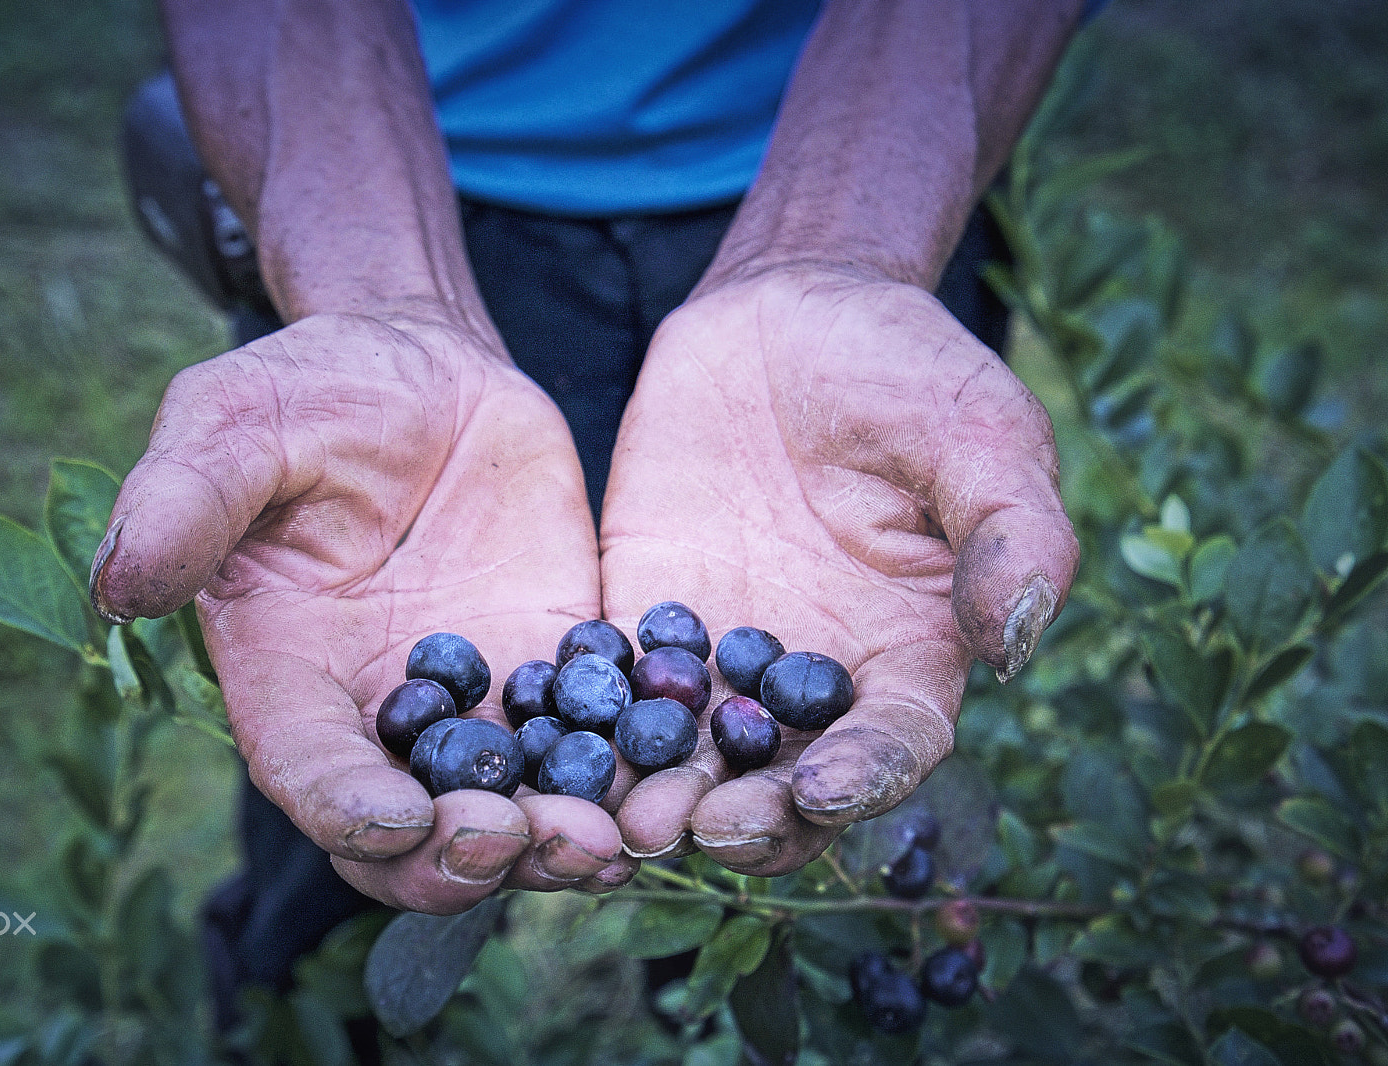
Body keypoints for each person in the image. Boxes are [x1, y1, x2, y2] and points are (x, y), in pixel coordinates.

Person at [98, 0, 1087, 1022]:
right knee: (347, 830)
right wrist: (377, 302)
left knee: (768, 849)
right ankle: (287, 1024)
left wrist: (842, 257)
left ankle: (703, 1027)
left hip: (888, 169)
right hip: (370, 185)